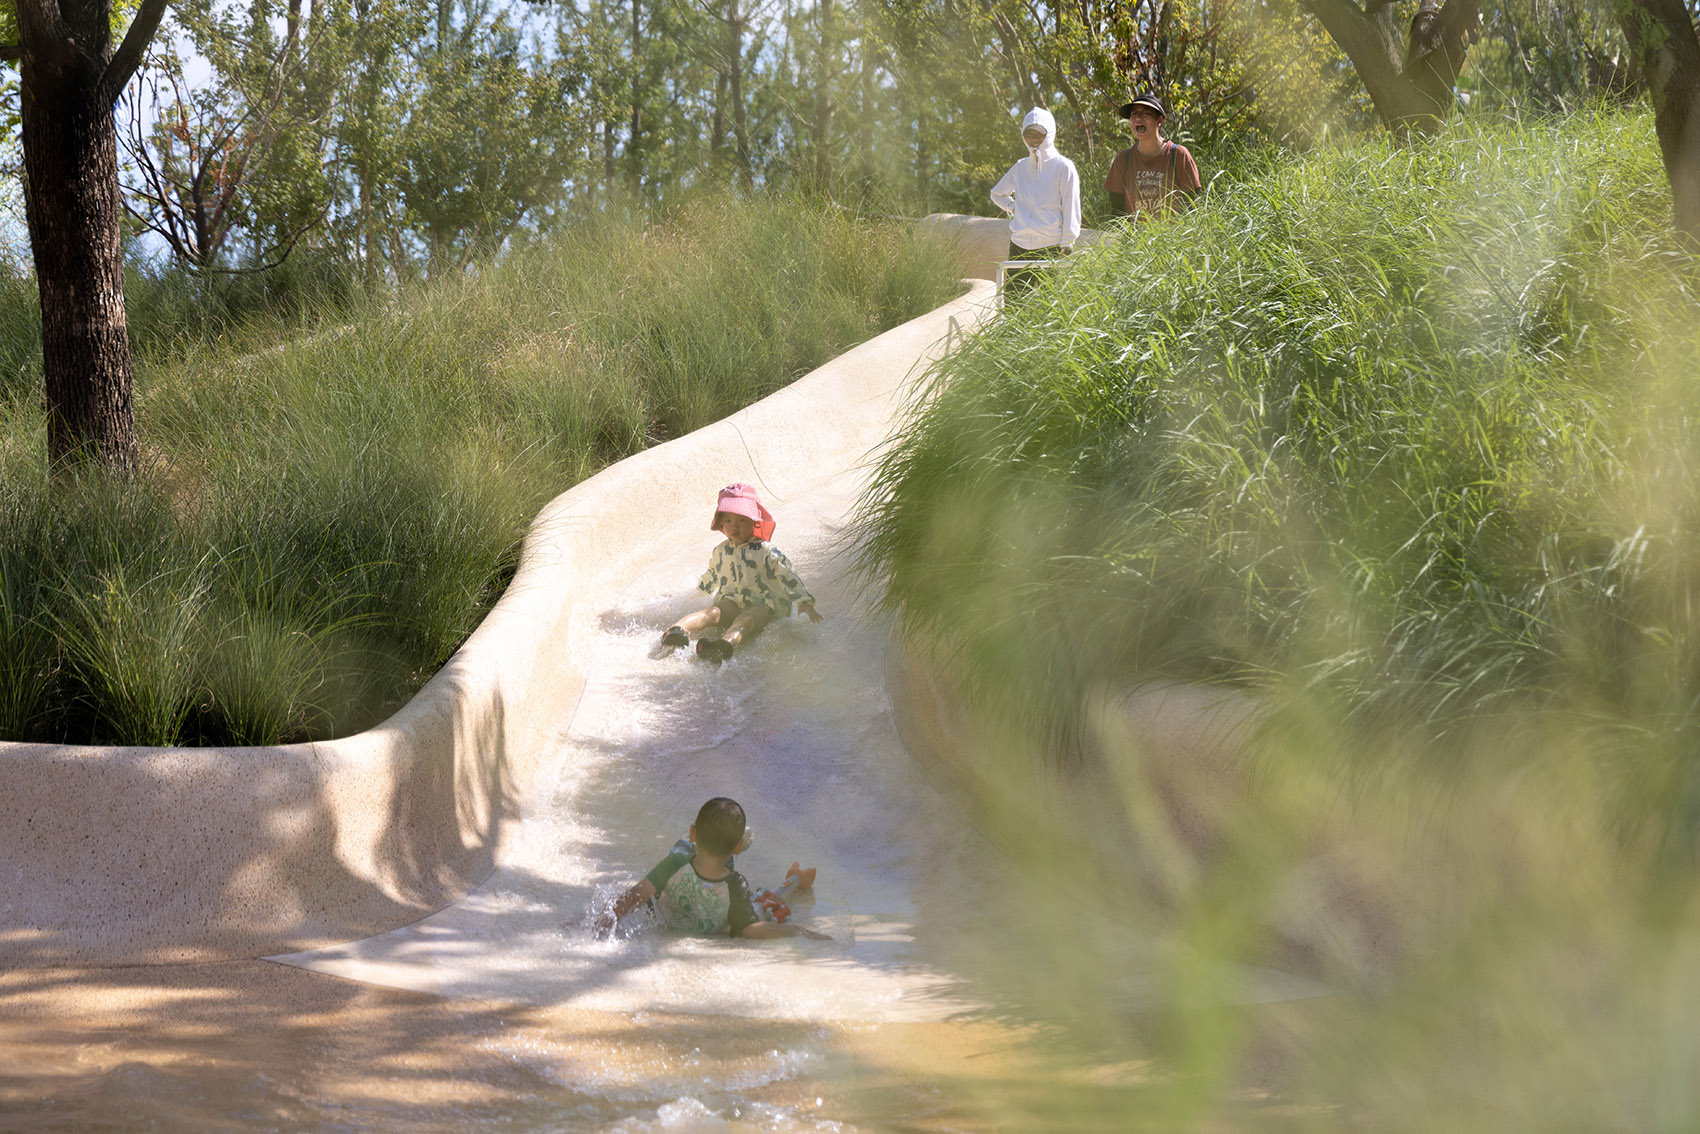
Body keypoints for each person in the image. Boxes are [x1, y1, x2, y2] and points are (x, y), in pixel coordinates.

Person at [598, 797, 827, 940]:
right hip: (720, 909)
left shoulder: (675, 863)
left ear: (693, 832)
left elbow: (637, 895)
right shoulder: (735, 883)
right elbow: (751, 929)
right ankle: (795, 878)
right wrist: (796, 930)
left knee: (681, 849)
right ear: (736, 848)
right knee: (766, 901)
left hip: (673, 913)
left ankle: (712, 837)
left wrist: (605, 920)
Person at [660, 482, 823, 663]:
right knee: (712, 612)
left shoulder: (765, 551)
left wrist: (804, 602)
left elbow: (787, 574)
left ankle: (724, 645)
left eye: (741, 520)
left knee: (746, 619)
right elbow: (713, 574)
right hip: (733, 600)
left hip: (764, 605)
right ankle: (675, 631)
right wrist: (698, 590)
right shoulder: (721, 551)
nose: (734, 527)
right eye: (728, 521)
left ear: (754, 522)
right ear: (721, 525)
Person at [989, 107, 1081, 292]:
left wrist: (1067, 243)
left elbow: (1072, 206)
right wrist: (1013, 208)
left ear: (1049, 134)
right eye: (1029, 134)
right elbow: (996, 193)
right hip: (1019, 245)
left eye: (1039, 134)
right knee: (1014, 304)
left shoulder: (1064, 167)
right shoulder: (1020, 167)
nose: (1033, 140)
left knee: (1052, 306)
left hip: (1051, 247)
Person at [1103, 94, 1201, 221]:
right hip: (1135, 238)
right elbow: (1116, 210)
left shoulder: (1178, 155)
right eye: (1134, 114)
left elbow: (1192, 206)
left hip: (1172, 238)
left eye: (1145, 113)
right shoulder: (1123, 159)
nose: (1138, 118)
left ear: (1159, 120)